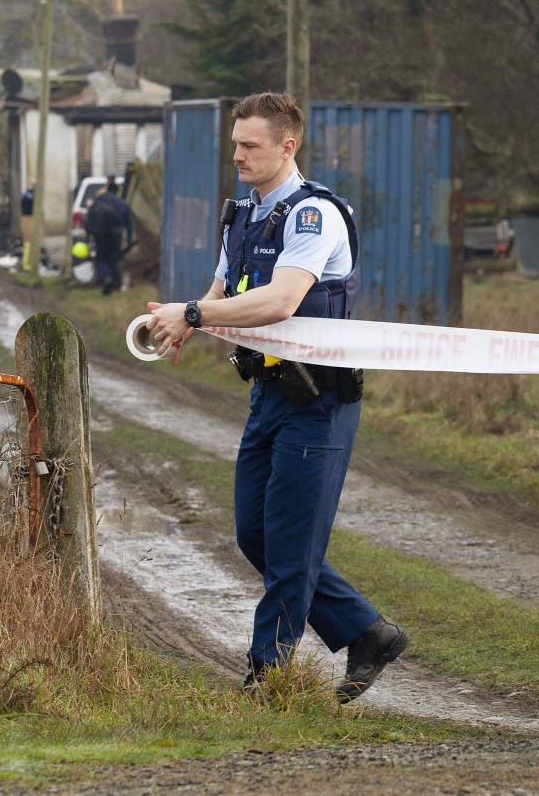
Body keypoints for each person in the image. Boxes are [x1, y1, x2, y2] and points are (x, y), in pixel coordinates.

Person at [143, 92, 408, 703]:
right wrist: (184, 321)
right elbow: (222, 292)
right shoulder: (242, 215)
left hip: (320, 401)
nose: (237, 156)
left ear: (288, 147)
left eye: (250, 145)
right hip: (268, 395)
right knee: (255, 534)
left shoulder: (313, 216)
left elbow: (281, 300)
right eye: (235, 144)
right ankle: (368, 632)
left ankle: (268, 678)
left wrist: (195, 312)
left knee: (289, 545)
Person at [87, 177, 134, 295]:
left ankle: (106, 279)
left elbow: (90, 216)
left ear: (107, 188)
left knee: (101, 259)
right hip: (116, 234)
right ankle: (114, 284)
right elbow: (129, 224)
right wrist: (129, 239)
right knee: (114, 259)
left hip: (100, 234)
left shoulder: (99, 199)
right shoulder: (122, 203)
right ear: (117, 190)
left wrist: (89, 233)